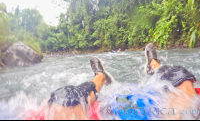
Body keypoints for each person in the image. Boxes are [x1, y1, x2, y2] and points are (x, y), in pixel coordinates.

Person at [47, 43, 199, 120]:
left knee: (65, 101)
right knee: (180, 78)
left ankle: (100, 76)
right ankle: (153, 65)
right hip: (155, 103)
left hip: (115, 108)